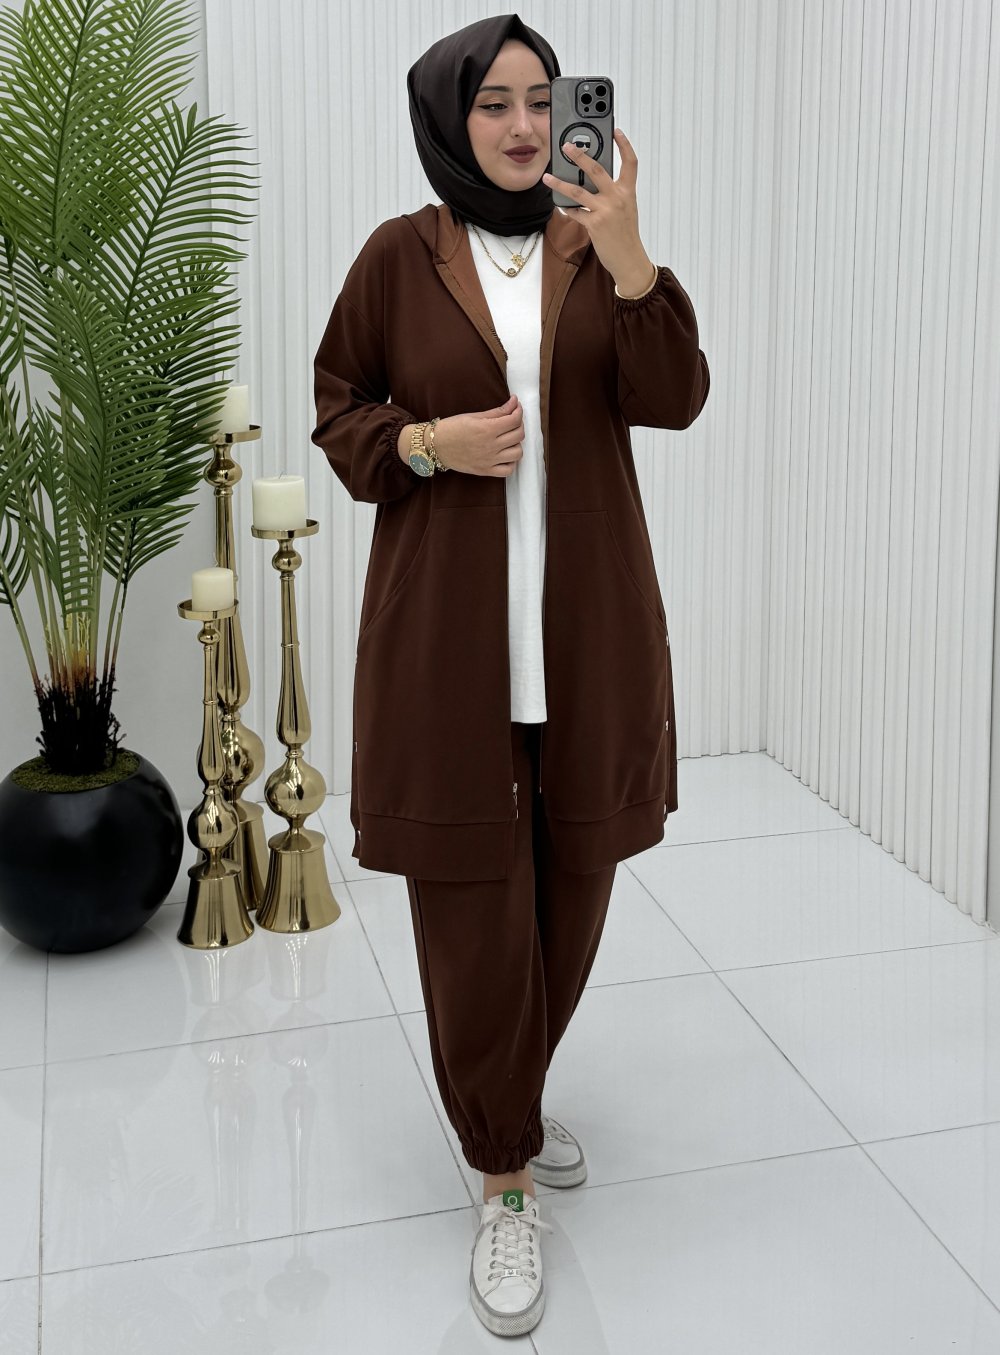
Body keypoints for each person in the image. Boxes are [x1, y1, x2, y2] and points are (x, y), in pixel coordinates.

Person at [311, 12, 710, 1339]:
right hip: (449, 650)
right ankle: (504, 1177)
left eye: (543, 99)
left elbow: (675, 395)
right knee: (474, 912)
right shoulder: (398, 256)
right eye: (494, 103)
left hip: (587, 639)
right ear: (449, 117)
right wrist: (429, 444)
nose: (527, 125)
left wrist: (632, 251)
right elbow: (340, 412)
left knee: (576, 887)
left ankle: (510, 1103)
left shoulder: (595, 250)